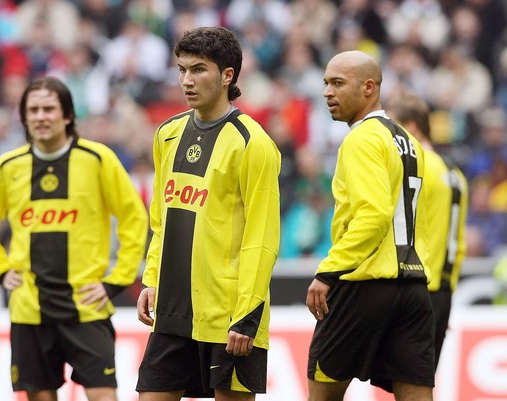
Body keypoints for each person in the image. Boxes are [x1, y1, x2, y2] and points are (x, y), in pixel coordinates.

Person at [0, 76, 149, 401]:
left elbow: (134, 217)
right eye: (33, 109)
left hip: (87, 304)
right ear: (23, 118)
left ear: (67, 116)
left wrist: (117, 279)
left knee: (104, 395)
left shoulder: (97, 159)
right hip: (29, 306)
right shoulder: (7, 167)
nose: (41, 116)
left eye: (49, 108)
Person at [135, 26, 281, 401]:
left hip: (228, 316)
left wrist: (247, 315)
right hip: (172, 312)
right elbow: (160, 220)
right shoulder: (167, 134)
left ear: (227, 75)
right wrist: (151, 279)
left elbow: (262, 238)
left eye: (198, 69)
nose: (186, 80)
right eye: (182, 70)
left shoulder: (253, 143)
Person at [306, 50, 434, 401]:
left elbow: (374, 214)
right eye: (325, 83)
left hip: (363, 285)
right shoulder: (408, 142)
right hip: (412, 286)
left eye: (337, 83)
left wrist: (329, 270)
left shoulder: (361, 139)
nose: (327, 92)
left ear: (368, 87)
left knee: (322, 394)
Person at [386, 91, 469, 369]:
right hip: (443, 291)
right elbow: (458, 241)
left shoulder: (418, 166)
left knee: (408, 386)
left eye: (393, 127)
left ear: (410, 128)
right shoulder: (454, 173)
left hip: (418, 290)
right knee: (422, 381)